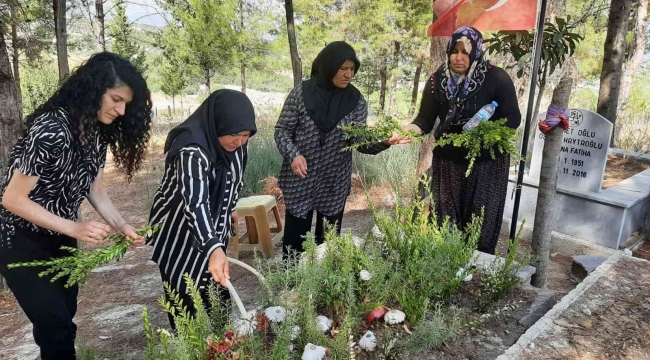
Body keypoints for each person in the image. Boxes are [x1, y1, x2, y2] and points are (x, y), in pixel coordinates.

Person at [0, 52, 152, 359]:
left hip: (62, 238)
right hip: (19, 238)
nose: (121, 110)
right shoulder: (51, 128)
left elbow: (96, 190)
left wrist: (121, 226)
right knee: (54, 326)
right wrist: (76, 227)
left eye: (126, 104)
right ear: (94, 88)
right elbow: (11, 199)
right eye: (115, 99)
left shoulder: (96, 132)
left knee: (64, 322)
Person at [391, 26, 521, 254]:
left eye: (465, 52)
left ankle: (475, 275)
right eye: (454, 51)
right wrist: (408, 131)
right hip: (448, 162)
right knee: (446, 224)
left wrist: (485, 133)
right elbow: (424, 119)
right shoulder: (437, 81)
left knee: (480, 224)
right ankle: (447, 275)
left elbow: (513, 117)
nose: (458, 57)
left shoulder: (497, 78)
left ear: (476, 52)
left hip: (486, 164)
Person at [275, 41, 396, 258]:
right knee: (295, 241)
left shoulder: (356, 101)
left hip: (334, 181)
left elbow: (360, 141)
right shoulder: (301, 93)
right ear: (330, 66)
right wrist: (294, 155)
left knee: (328, 244)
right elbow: (282, 130)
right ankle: (292, 286)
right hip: (299, 179)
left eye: (352, 69)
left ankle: (324, 288)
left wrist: (385, 141)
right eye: (343, 69)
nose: (348, 74)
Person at [147, 90, 256, 330]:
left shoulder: (238, 145)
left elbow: (234, 178)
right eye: (234, 134)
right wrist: (214, 248)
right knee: (184, 300)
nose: (239, 141)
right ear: (217, 123)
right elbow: (194, 204)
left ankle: (222, 344)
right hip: (178, 230)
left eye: (246, 135)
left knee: (218, 294)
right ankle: (187, 347)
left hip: (213, 225)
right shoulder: (192, 150)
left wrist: (230, 205)